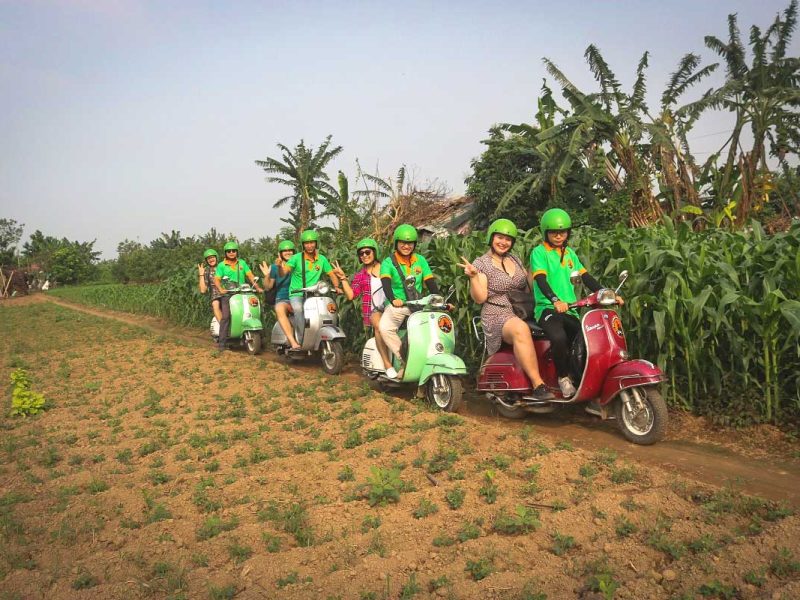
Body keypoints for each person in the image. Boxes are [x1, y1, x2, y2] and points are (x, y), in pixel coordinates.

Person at [531, 208, 623, 397]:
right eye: (554, 232)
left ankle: (584, 380)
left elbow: (586, 278)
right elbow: (541, 280)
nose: (558, 236)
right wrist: (555, 300)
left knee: (590, 340)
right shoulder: (539, 253)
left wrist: (609, 294)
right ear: (545, 232)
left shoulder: (570, 254)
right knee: (559, 338)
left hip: (571, 310)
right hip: (548, 309)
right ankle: (563, 378)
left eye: (562, 232)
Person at [459, 219, 554, 401]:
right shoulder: (482, 263)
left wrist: (538, 268)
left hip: (521, 309)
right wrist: (473, 277)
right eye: (499, 237)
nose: (503, 242)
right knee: (520, 329)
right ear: (491, 238)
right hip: (497, 313)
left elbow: (528, 287)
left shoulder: (515, 260)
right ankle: (538, 385)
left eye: (508, 239)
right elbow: (480, 298)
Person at [378, 224, 440, 380]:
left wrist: (439, 300)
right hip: (399, 306)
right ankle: (403, 359)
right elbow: (386, 284)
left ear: (415, 244)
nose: (406, 246)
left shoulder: (420, 260)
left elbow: (430, 282)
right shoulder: (388, 262)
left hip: (419, 305)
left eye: (410, 243)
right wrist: (393, 299)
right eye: (403, 243)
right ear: (396, 243)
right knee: (385, 328)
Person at [331, 238, 392, 371]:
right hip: (374, 311)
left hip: (392, 306)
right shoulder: (360, 276)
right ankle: (387, 364)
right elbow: (352, 295)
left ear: (374, 252)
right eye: (361, 253)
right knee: (379, 326)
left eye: (367, 252)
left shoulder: (387, 267)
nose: (364, 255)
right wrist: (343, 278)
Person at [279, 230, 340, 346]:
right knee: (298, 309)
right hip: (297, 293)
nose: (310, 245)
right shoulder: (296, 258)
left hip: (315, 294)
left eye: (312, 242)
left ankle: (320, 336)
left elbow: (331, 274)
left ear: (316, 244)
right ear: (303, 245)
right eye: (307, 243)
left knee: (327, 310)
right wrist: (281, 268)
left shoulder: (322, 259)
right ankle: (301, 340)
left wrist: (337, 286)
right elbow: (285, 270)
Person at [214, 241, 263, 352]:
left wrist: (258, 287)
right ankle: (222, 343)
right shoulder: (222, 265)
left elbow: (250, 275)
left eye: (234, 251)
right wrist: (221, 289)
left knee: (256, 311)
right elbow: (216, 279)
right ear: (226, 253)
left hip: (242, 293)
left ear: (237, 252)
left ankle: (260, 337)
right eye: (229, 251)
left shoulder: (242, 263)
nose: (231, 253)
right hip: (228, 294)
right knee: (226, 316)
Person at [259, 240, 297, 347]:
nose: (288, 252)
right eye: (285, 251)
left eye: (290, 250)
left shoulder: (298, 264)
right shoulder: (275, 267)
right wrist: (267, 275)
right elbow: (268, 286)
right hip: (283, 298)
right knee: (279, 308)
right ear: (280, 253)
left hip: (300, 296)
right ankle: (291, 341)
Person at [198, 248, 223, 326]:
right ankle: (223, 328)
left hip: (229, 292)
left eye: (212, 257)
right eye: (208, 258)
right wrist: (201, 274)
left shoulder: (224, 267)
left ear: (216, 257)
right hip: (216, 295)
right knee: (215, 304)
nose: (211, 259)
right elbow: (203, 290)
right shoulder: (207, 271)